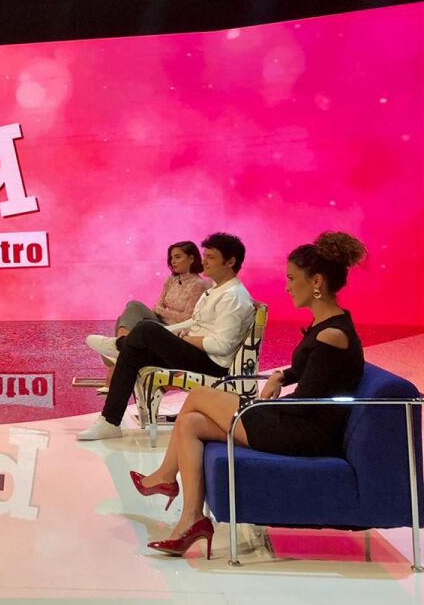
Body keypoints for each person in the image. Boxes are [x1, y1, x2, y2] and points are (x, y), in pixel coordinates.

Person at [131, 232, 367, 558]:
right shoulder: (327, 326)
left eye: (291, 278)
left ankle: (166, 477)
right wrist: (282, 375)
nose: (286, 287)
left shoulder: (332, 334)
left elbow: (308, 405)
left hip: (305, 433)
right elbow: (312, 370)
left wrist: (259, 408)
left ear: (316, 281)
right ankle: (192, 519)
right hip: (297, 421)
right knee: (190, 423)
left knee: (198, 396)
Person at [77, 232, 254, 441]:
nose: (204, 261)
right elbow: (195, 321)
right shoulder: (217, 289)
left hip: (212, 364)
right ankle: (110, 421)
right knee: (134, 353)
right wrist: (169, 333)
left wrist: (184, 340)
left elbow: (222, 346)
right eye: (205, 255)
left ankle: (118, 345)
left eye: (211, 257)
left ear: (230, 262)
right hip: (197, 352)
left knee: (146, 328)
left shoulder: (233, 297)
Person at [95, 241, 210, 388]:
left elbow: (187, 317)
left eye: (178, 257)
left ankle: (118, 355)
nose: (173, 261)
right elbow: (157, 306)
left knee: (134, 320)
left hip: (175, 329)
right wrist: (160, 311)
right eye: (171, 257)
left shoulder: (199, 285)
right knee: (132, 307)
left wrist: (161, 311)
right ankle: (120, 347)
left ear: (191, 259)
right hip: (160, 321)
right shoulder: (171, 280)